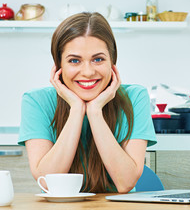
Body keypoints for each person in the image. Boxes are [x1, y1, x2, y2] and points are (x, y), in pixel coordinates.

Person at [18, 12, 157, 193]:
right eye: (74, 61)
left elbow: (126, 183)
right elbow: (47, 182)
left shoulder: (135, 97)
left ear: (112, 62)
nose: (88, 72)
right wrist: (76, 109)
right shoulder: (36, 101)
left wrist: (95, 112)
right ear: (59, 66)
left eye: (98, 59)